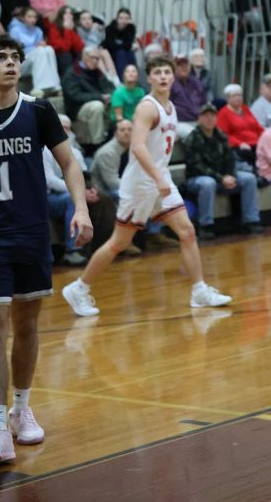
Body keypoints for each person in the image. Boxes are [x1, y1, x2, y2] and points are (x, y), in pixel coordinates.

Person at [0, 33, 92, 464]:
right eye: (0, 57)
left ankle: (21, 410)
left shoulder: (39, 110)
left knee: (26, 325)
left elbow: (68, 163)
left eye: (15, 57)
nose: (10, 63)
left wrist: (80, 209)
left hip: (31, 232)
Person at [61, 56, 231, 317]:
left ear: (173, 77)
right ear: (149, 78)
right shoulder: (147, 108)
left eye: (167, 72)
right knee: (119, 243)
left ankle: (199, 290)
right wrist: (159, 178)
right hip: (141, 184)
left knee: (187, 233)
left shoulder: (171, 106)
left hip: (159, 180)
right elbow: (138, 147)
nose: (163, 76)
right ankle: (79, 288)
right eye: (158, 72)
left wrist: (162, 178)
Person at [184, 103, 263, 237]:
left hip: (222, 177)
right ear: (199, 119)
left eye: (212, 116)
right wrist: (221, 178)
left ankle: (251, 221)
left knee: (249, 178)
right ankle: (205, 225)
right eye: (206, 116)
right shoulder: (192, 138)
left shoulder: (221, 135)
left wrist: (231, 176)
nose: (209, 119)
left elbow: (230, 160)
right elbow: (197, 166)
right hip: (197, 179)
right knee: (208, 183)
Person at [43, 115, 117, 257]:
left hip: (72, 191)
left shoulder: (76, 152)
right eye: (60, 127)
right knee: (71, 200)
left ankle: (102, 247)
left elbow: (85, 176)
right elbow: (49, 180)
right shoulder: (44, 151)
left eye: (67, 128)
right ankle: (73, 250)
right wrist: (79, 192)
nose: (64, 131)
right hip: (49, 197)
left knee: (103, 198)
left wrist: (91, 189)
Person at [61, 45, 115, 151]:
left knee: (116, 101)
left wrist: (110, 95)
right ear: (84, 57)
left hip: (96, 101)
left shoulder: (97, 71)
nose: (95, 61)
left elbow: (109, 86)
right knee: (97, 106)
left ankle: (112, 136)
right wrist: (100, 96)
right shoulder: (72, 73)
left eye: (97, 58)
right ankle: (97, 143)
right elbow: (75, 96)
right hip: (77, 109)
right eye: (92, 57)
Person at [8, 7, 62, 96]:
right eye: (29, 17)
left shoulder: (38, 30)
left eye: (34, 17)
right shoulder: (15, 30)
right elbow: (14, 51)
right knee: (40, 50)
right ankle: (39, 87)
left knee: (49, 49)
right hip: (20, 61)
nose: (33, 19)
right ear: (23, 18)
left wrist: (41, 45)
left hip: (35, 58)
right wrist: (34, 47)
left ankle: (56, 86)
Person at [216, 83, 265, 165]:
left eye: (240, 95)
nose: (238, 98)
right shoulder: (223, 113)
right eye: (234, 96)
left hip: (256, 142)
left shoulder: (245, 108)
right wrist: (239, 143)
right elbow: (223, 135)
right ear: (228, 98)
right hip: (239, 146)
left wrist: (266, 137)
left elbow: (258, 127)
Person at [169, 54, 207, 138]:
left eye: (186, 65)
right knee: (194, 136)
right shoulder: (170, 83)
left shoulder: (196, 82)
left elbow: (204, 103)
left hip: (198, 121)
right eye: (180, 65)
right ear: (174, 68)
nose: (184, 67)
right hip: (179, 122)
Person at [46, 5, 85, 76]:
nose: (69, 15)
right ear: (61, 16)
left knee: (81, 55)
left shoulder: (73, 28)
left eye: (70, 13)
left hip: (70, 55)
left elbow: (80, 47)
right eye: (66, 13)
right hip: (57, 57)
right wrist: (67, 30)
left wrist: (71, 31)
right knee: (66, 56)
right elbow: (64, 48)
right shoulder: (54, 28)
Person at [104, 7, 137, 79]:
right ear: (117, 19)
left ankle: (133, 78)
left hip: (125, 52)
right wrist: (122, 45)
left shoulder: (131, 28)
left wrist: (126, 30)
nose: (123, 21)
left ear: (129, 20)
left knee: (130, 53)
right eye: (121, 18)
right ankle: (122, 79)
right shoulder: (110, 28)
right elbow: (111, 45)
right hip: (111, 53)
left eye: (126, 18)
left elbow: (128, 45)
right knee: (121, 53)